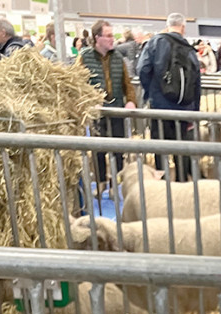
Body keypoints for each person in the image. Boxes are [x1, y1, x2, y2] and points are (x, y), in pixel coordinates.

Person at [137, 13, 201, 183]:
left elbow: (142, 69)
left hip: (160, 107)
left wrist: (150, 92)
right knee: (182, 149)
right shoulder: (189, 49)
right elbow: (196, 82)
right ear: (183, 27)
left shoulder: (155, 43)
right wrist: (195, 112)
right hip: (184, 109)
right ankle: (181, 184)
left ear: (167, 26)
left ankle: (163, 185)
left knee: (160, 149)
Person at [78, 21, 136, 187]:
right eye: (109, 35)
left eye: (112, 35)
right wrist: (89, 103)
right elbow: (78, 84)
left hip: (116, 110)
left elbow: (127, 83)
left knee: (118, 149)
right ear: (98, 38)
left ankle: (116, 183)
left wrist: (131, 101)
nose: (112, 39)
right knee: (98, 150)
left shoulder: (118, 57)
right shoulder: (84, 57)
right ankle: (101, 182)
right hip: (96, 112)